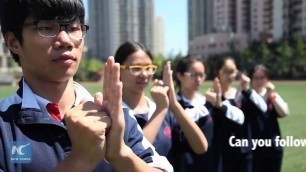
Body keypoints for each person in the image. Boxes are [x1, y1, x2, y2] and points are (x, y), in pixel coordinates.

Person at [0, 0, 172, 171]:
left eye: (74, 28)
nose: (65, 40)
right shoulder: (4, 126)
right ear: (14, 42)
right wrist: (81, 160)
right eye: (45, 27)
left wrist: (120, 153)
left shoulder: (116, 114)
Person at [114, 41, 207, 161]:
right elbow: (133, 158)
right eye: (136, 68)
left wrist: (173, 104)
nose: (144, 74)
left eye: (148, 68)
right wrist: (161, 110)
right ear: (118, 70)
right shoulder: (115, 113)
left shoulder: (161, 109)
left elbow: (200, 147)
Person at [173, 55, 214, 172]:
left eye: (202, 75)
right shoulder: (175, 104)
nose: (199, 79)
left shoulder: (205, 101)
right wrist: (208, 106)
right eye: (194, 75)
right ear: (180, 76)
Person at [249, 64, 289, 172]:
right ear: (251, 79)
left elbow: (284, 112)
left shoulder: (272, 96)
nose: (259, 81)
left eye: (262, 78)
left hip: (273, 148)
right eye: (256, 78)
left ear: (267, 79)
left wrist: (272, 95)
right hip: (254, 150)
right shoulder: (247, 97)